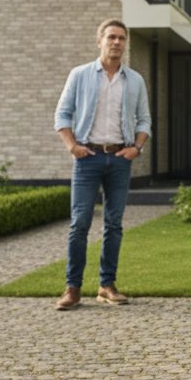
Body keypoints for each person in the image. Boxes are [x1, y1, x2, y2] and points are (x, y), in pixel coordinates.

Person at [53, 19, 151, 310]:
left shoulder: (135, 80)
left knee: (114, 224)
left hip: (120, 159)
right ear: (100, 41)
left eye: (121, 38)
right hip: (88, 158)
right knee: (80, 223)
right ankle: (72, 289)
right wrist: (72, 146)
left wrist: (137, 148)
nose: (117, 42)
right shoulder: (80, 75)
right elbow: (62, 114)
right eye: (111, 37)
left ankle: (107, 286)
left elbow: (144, 119)